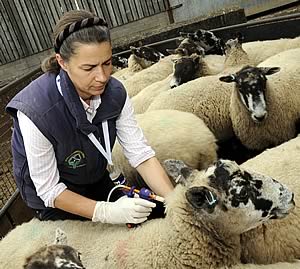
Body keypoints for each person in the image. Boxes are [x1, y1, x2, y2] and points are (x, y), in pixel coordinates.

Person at [6, 10, 174, 224]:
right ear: (62, 62)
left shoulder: (115, 94)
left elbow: (140, 154)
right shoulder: (36, 111)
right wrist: (106, 212)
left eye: (107, 62)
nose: (103, 77)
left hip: (94, 177)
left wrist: (173, 202)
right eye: (89, 67)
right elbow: (49, 190)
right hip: (55, 201)